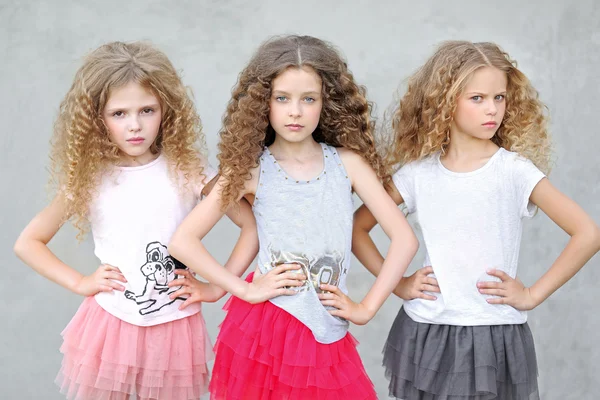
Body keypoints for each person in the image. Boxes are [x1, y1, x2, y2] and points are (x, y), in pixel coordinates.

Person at [168, 35, 418, 400]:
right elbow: (182, 241)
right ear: (262, 103)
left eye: (308, 99)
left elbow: (405, 239)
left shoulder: (348, 165)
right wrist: (245, 289)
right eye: (282, 98)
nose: (295, 111)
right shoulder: (252, 170)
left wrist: (366, 308)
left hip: (327, 327)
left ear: (326, 102)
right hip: (266, 327)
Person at [352, 40, 600, 399]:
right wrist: (400, 284)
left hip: (492, 333)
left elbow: (587, 233)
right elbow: (357, 228)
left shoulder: (514, 171)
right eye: (477, 98)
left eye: (499, 97)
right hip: (427, 329)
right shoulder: (417, 175)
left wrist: (531, 294)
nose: (492, 110)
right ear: (444, 102)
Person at [14, 41, 257, 400]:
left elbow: (252, 227)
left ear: (166, 111)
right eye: (119, 114)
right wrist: (81, 281)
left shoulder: (188, 171)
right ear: (97, 118)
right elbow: (28, 243)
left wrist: (217, 288)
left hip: (174, 326)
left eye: (147, 110)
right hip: (111, 322)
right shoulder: (90, 178)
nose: (135, 126)